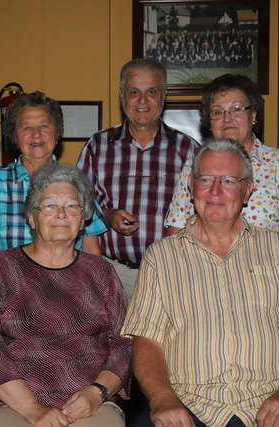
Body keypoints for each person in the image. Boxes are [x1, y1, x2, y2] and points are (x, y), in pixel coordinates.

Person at [122, 139, 279, 427]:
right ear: (191, 185)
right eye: (206, 178)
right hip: (187, 404)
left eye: (228, 180)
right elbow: (147, 343)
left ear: (248, 190)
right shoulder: (160, 258)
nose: (215, 190)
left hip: (273, 401)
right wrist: (162, 399)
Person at [0, 163, 131, 427]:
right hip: (14, 400)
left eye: (71, 206)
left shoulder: (101, 272)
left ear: (82, 221)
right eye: (49, 205)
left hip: (88, 399)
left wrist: (97, 392)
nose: (61, 213)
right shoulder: (2, 267)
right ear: (32, 218)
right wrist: (32, 408)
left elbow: (125, 341)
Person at [0, 91, 106, 341]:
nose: (36, 134)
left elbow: (93, 251)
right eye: (26, 127)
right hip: (9, 312)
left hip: (70, 311)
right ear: (15, 137)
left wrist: (99, 310)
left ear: (57, 132)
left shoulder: (76, 183)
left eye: (44, 126)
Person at [165, 74, 279, 267]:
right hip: (205, 282)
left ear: (253, 114)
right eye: (217, 112)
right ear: (209, 122)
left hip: (270, 284)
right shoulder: (193, 165)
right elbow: (177, 228)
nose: (227, 118)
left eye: (236, 109)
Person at [76, 58, 199, 298]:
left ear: (164, 94)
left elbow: (204, 213)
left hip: (173, 275)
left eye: (151, 91)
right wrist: (108, 216)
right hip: (114, 274)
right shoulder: (98, 146)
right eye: (134, 92)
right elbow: (77, 206)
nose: (142, 101)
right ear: (122, 95)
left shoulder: (189, 149)